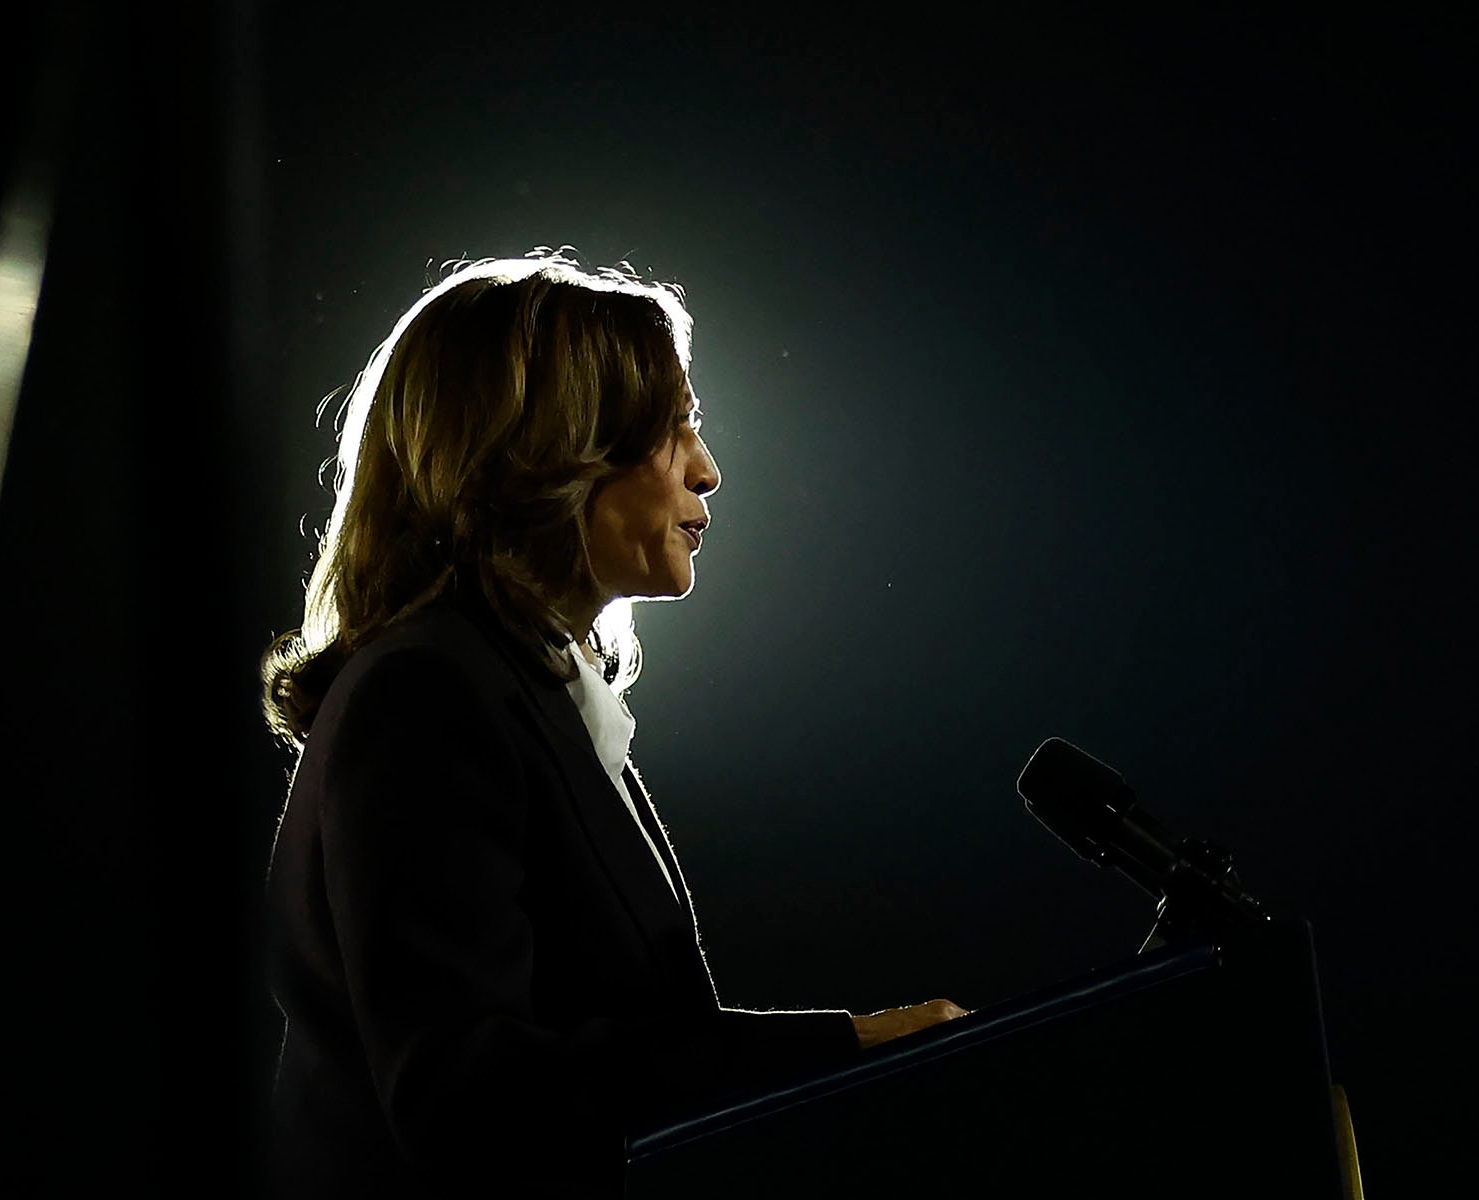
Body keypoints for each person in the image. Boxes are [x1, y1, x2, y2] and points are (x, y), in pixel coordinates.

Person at [258, 249, 968, 1197]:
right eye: (675, 429)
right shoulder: (427, 693)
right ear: (551, 449)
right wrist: (841, 1047)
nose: (706, 473)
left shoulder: (520, 688)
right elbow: (469, 1100)